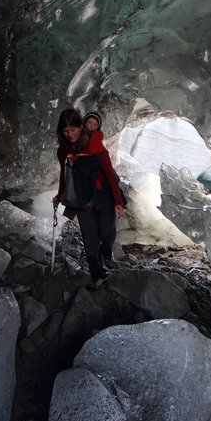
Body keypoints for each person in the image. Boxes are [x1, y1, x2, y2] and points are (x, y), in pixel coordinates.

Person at [53, 108, 126, 287]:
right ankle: (97, 274)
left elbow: (109, 174)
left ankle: (107, 252)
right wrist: (60, 195)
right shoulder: (63, 151)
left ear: (81, 127)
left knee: (107, 233)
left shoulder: (94, 144)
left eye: (73, 129)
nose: (70, 134)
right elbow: (65, 175)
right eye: (66, 131)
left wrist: (118, 201)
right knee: (89, 239)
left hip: (103, 196)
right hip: (82, 199)